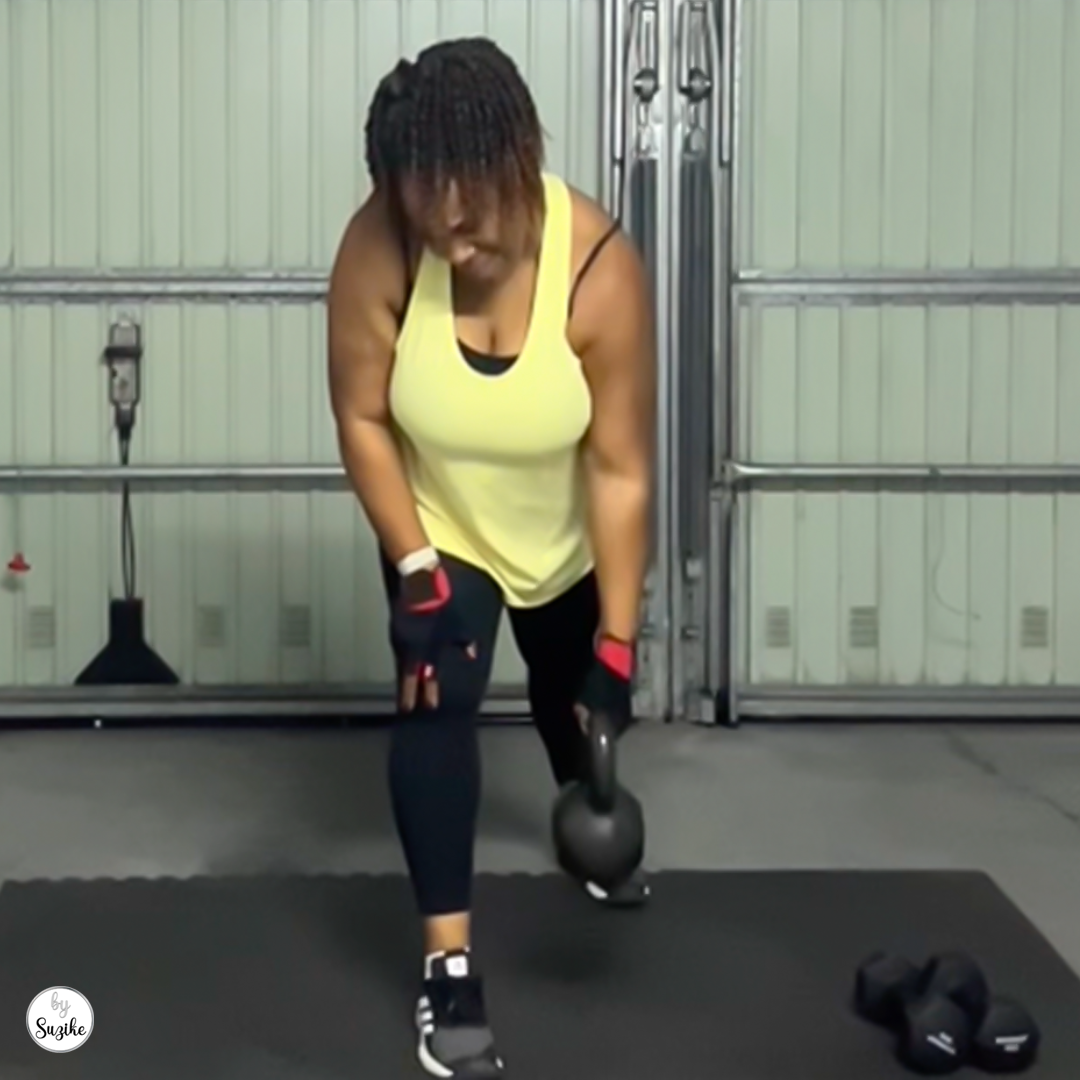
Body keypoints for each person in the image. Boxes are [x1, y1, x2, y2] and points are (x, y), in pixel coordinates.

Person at [327, 36, 656, 1079]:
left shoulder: (598, 268)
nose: (453, 241)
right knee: (438, 696)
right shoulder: (382, 245)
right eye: (428, 218)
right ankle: (448, 968)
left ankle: (581, 797)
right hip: (445, 526)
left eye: (470, 216)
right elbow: (363, 416)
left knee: (571, 700)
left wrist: (618, 640)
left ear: (520, 153)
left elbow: (618, 470)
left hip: (560, 535)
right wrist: (417, 567)